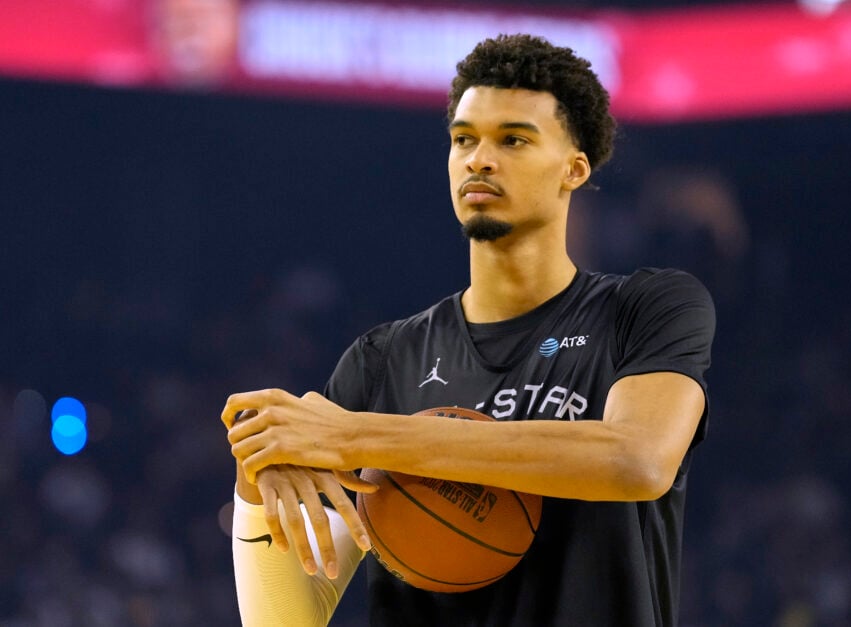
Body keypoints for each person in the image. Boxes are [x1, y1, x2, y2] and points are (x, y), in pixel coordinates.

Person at [223, 33, 715, 627]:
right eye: (464, 139)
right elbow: (289, 620)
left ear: (574, 168)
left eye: (513, 139)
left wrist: (358, 437)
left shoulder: (647, 307)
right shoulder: (384, 360)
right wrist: (256, 479)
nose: (479, 158)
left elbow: (636, 459)